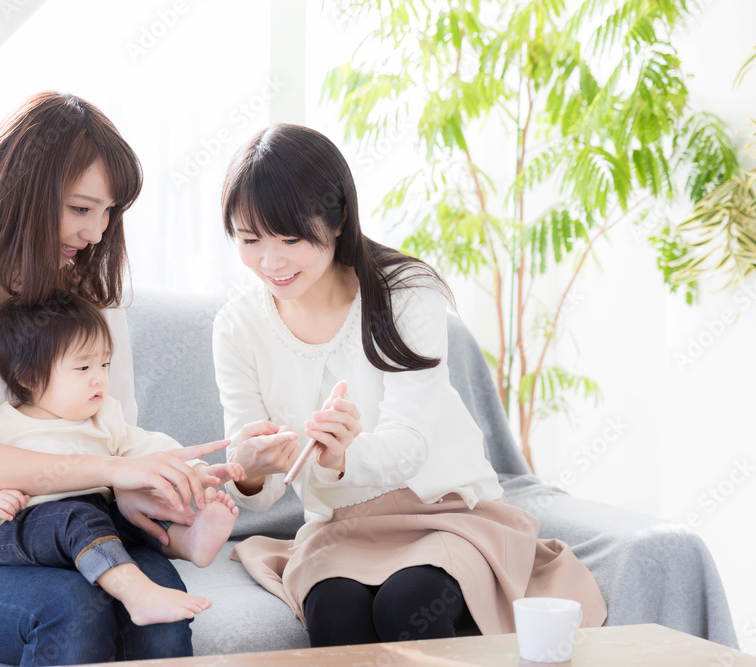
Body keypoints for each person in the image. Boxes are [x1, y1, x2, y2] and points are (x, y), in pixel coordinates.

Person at [212, 124, 608, 648]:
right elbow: (255, 487)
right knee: (334, 609)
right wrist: (250, 471)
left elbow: (410, 442)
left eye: (291, 239)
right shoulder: (237, 326)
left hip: (443, 512)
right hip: (340, 526)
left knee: (409, 604)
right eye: (250, 240)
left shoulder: (406, 291)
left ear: (338, 220)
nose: (271, 261)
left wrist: (344, 457)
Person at [0, 91, 228, 665]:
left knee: (159, 615)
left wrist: (155, 488)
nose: (96, 233)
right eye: (81, 208)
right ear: (21, 194)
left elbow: (115, 430)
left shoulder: (91, 298)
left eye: (110, 212)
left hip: (88, 527)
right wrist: (112, 469)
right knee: (74, 608)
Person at [0, 292, 244, 626]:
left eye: (104, 364)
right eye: (83, 366)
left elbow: (146, 446)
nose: (99, 377)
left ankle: (189, 541)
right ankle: (136, 593)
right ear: (28, 377)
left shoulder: (104, 416)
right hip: (22, 530)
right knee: (79, 516)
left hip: (94, 521)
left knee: (131, 509)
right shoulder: (0, 425)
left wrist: (194, 470)